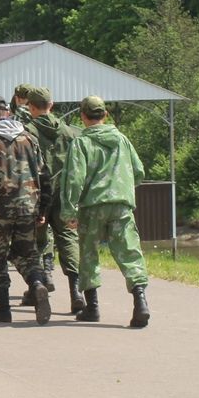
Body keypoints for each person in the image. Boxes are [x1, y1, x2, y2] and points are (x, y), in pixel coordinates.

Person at [61, 96, 151, 328]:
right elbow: (139, 170)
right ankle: (140, 301)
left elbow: (74, 179)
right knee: (129, 251)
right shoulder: (122, 139)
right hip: (121, 203)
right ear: (106, 115)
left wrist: (69, 210)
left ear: (82, 116)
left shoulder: (81, 143)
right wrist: (122, 187)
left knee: (89, 253)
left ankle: (92, 308)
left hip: (92, 206)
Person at [0, 95, 52, 323]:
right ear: (6, 112)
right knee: (27, 253)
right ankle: (36, 284)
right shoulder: (30, 139)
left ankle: (3, 309)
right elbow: (44, 176)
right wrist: (44, 208)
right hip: (28, 206)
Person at [23, 85, 85, 314]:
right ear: (51, 105)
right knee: (68, 239)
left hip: (36, 195)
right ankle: (76, 291)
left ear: (30, 107)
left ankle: (37, 288)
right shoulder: (69, 132)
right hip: (63, 195)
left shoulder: (25, 132)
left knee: (35, 243)